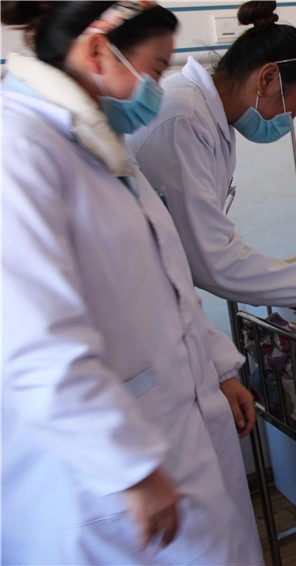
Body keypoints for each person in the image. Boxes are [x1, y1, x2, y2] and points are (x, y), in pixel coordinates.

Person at [1, 2, 262, 564]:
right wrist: (130, 468)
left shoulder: (97, 143)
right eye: (156, 69)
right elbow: (35, 344)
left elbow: (165, 279)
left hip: (170, 426)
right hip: (98, 473)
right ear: (98, 50)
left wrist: (217, 367)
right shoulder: (18, 149)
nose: (157, 89)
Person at [128, 0, 296, 311]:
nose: (290, 121)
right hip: (139, 296)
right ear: (267, 78)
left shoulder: (211, 120)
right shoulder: (182, 119)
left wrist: (295, 284)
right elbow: (210, 258)